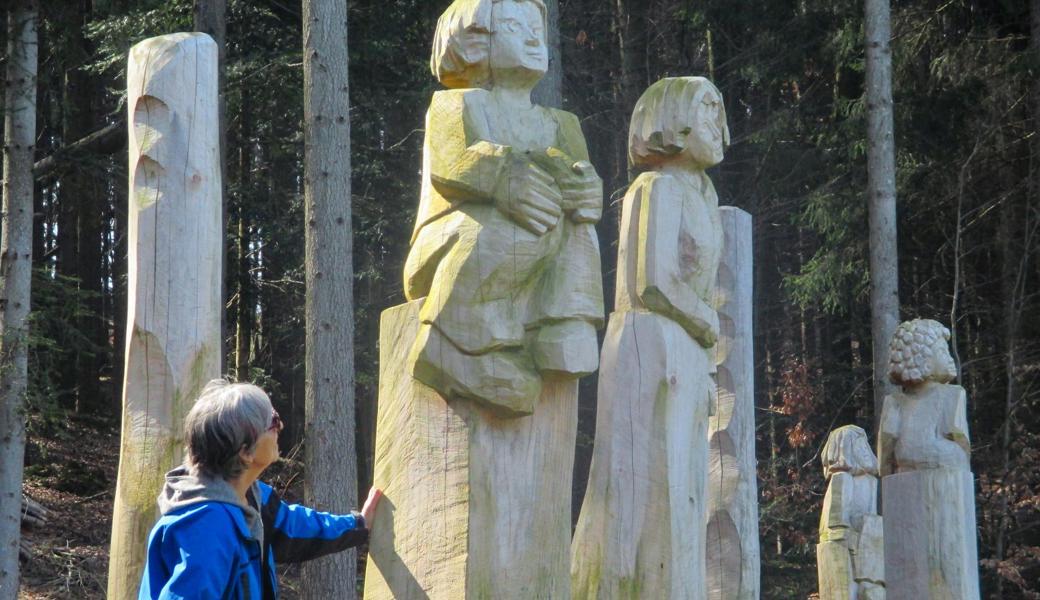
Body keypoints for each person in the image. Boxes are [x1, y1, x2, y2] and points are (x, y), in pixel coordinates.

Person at [139, 379, 382, 600]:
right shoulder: (206, 527)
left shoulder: (250, 497)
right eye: (273, 421)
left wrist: (358, 524)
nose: (281, 425)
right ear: (245, 451)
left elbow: (295, 527)